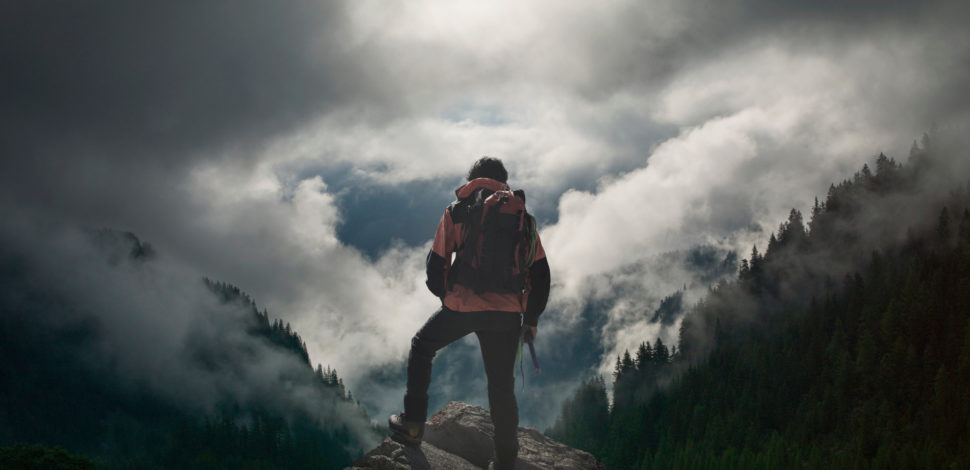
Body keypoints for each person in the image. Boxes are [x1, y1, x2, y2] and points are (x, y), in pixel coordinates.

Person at [389, 156, 551, 470]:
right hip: (506, 315)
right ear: (504, 181)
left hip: (461, 307)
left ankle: (412, 427)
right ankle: (504, 461)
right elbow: (541, 274)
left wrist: (449, 299)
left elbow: (436, 266)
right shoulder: (523, 218)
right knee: (501, 386)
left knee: (422, 347)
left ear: (472, 179)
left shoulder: (456, 211)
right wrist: (530, 319)